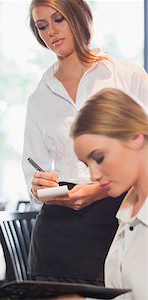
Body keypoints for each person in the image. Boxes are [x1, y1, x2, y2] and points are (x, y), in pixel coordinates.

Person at [21, 0, 147, 284]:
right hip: (57, 228)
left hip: (117, 213)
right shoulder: (39, 98)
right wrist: (40, 186)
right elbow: (32, 175)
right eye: (42, 26)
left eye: (58, 20)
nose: (51, 31)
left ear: (79, 17)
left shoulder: (128, 76)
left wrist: (97, 191)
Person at [71, 88, 147, 299]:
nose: (93, 175)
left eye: (99, 158)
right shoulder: (128, 208)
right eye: (86, 164)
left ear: (135, 137)